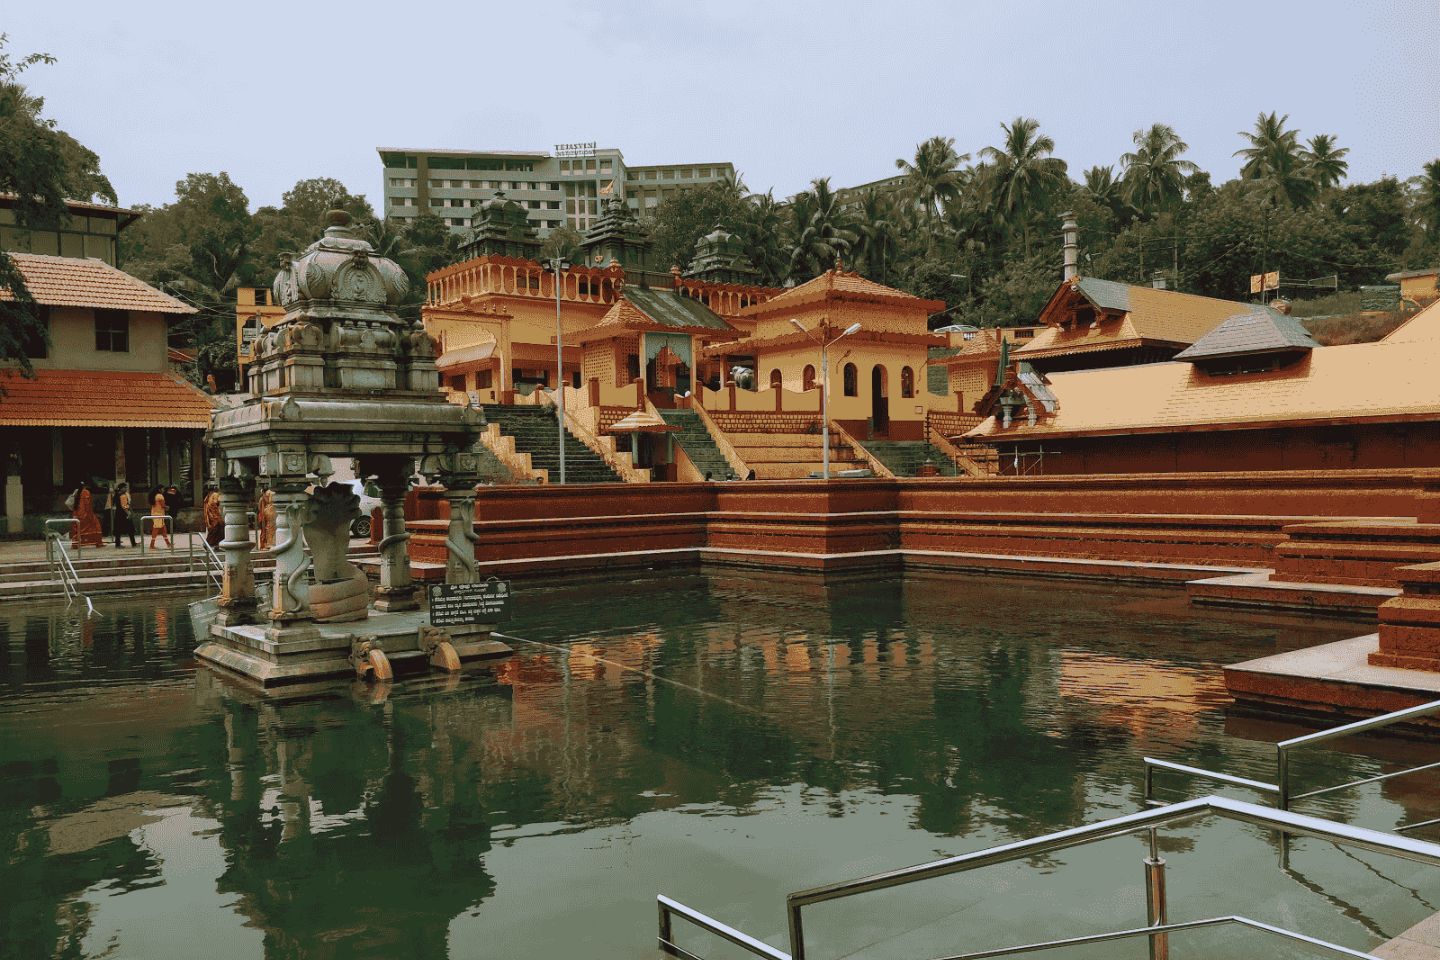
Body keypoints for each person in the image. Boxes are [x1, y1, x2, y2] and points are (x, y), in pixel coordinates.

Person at [70, 480, 103, 548]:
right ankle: (97, 542)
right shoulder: (86, 492)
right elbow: (88, 504)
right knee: (96, 527)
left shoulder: (75, 492)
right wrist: (90, 514)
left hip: (77, 513)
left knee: (78, 529)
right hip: (85, 513)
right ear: (84, 486)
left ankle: (75, 544)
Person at [112, 482, 137, 547]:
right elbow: (124, 506)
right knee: (130, 529)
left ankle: (117, 544)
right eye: (124, 487)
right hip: (124, 514)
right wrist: (128, 513)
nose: (126, 489)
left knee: (118, 530)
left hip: (118, 514)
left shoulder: (117, 494)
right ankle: (133, 543)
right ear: (121, 488)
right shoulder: (123, 495)